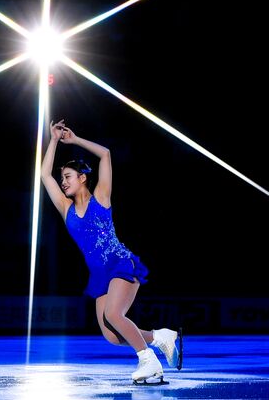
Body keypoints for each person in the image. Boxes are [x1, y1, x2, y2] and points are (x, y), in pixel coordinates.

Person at [40, 118, 182, 384]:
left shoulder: (101, 197)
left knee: (114, 315)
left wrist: (75, 139)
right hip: (98, 275)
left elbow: (105, 154)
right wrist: (53, 141)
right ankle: (161, 337)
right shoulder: (65, 209)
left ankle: (149, 363)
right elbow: (44, 175)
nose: (63, 182)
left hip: (119, 263)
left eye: (68, 177)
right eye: (63, 179)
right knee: (111, 335)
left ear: (83, 178)